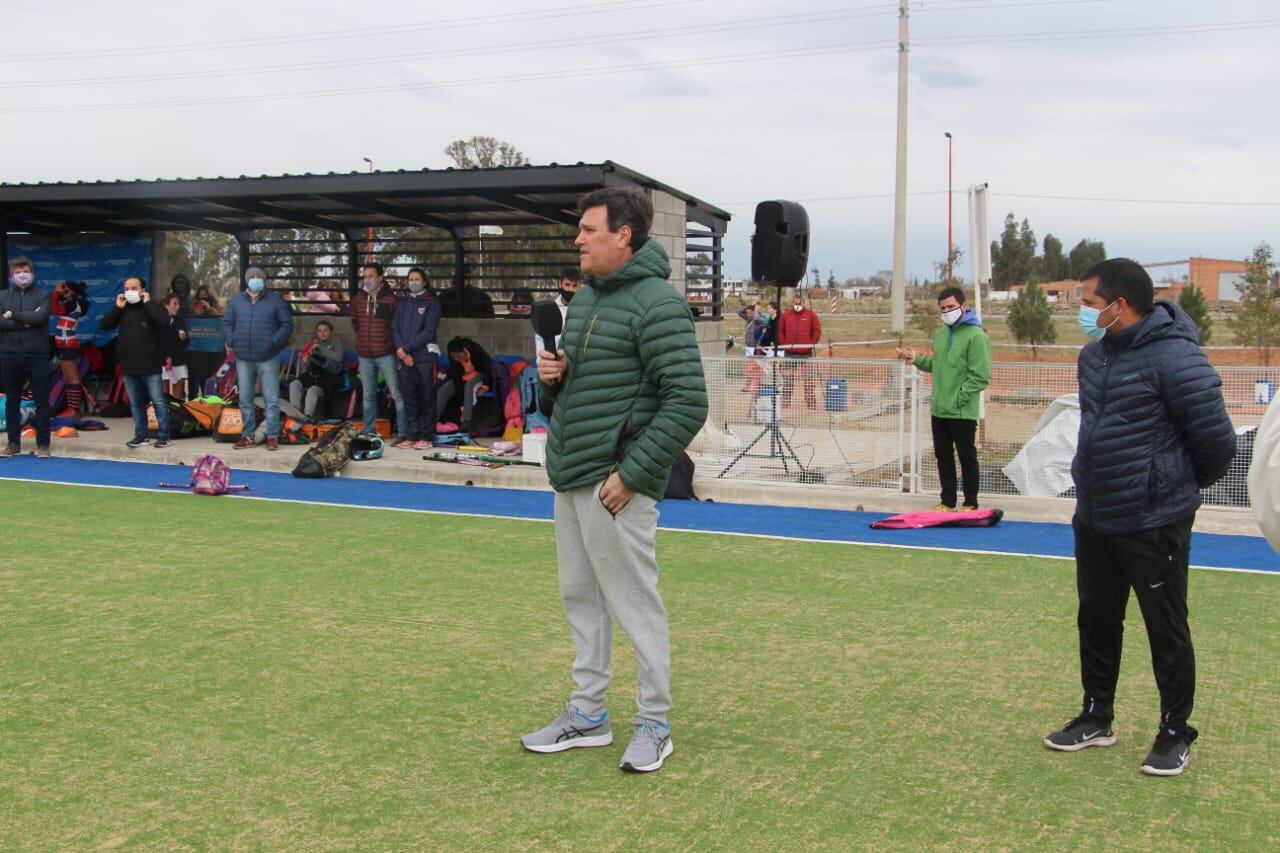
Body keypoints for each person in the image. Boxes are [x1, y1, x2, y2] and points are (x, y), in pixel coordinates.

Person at [521, 188, 708, 774]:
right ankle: (588, 714)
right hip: (572, 474)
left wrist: (631, 476)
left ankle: (655, 721)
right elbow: (569, 400)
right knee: (582, 599)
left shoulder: (657, 304)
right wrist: (555, 378)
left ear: (623, 235)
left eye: (587, 229)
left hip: (616, 483)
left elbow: (687, 402)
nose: (577, 239)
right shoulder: (586, 301)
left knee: (633, 602)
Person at [1043, 258, 1235, 778]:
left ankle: (1175, 731)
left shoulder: (1178, 359)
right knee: (1097, 618)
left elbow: (1218, 446)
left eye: (1087, 303)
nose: (1081, 312)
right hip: (1096, 514)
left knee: (1165, 628)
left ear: (1118, 305)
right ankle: (1096, 716)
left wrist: (1167, 487)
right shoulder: (1094, 357)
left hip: (1154, 521)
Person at [895, 286, 991, 511]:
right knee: (943, 456)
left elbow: (980, 377)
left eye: (951, 307)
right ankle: (948, 501)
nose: (947, 311)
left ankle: (970, 502)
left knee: (966, 456)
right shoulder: (941, 336)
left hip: (961, 410)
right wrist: (916, 358)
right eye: (943, 308)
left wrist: (959, 398)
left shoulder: (976, 337)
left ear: (963, 306)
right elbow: (936, 365)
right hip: (939, 409)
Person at [222, 266, 293, 450]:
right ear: (246, 280)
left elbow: (286, 325)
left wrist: (273, 342)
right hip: (243, 357)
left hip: (268, 356)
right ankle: (247, 436)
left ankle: (272, 436)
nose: (255, 279)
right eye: (252, 277)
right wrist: (232, 340)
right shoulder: (237, 301)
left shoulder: (275, 301)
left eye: (258, 277)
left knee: (271, 398)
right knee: (245, 398)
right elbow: (227, 322)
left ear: (264, 280)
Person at [99, 276, 172, 449]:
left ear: (142, 290)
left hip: (150, 364)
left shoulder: (153, 307)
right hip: (128, 365)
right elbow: (105, 325)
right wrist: (117, 307)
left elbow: (163, 321)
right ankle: (141, 434)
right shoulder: (123, 309)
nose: (130, 291)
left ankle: (164, 434)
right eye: (127, 288)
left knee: (158, 400)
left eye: (134, 288)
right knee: (135, 402)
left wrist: (148, 303)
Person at [0, 256, 53, 457]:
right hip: (9, 353)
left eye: (25, 270)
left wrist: (11, 315)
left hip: (37, 354)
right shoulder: (2, 296)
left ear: (32, 273)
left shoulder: (43, 295)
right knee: (12, 400)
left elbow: (41, 318)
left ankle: (43, 445)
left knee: (41, 400)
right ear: (12, 276)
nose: (22, 274)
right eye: (17, 271)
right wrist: (26, 320)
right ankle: (13, 443)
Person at [350, 262, 407, 445]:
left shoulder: (391, 299)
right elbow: (355, 324)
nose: (368, 280)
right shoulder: (357, 299)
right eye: (365, 276)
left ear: (380, 278)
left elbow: (397, 325)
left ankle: (403, 432)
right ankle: (369, 431)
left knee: (396, 392)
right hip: (365, 355)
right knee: (368, 394)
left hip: (386, 353)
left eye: (371, 276)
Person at [391, 267, 441, 449]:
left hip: (424, 357)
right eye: (410, 279)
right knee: (409, 397)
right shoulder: (403, 303)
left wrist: (407, 349)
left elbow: (429, 331)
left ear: (424, 281)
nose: (413, 282)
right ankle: (412, 434)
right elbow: (394, 328)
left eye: (416, 279)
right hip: (404, 358)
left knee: (426, 397)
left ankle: (426, 436)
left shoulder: (431, 302)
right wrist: (401, 351)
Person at [435, 337, 495, 434]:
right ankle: (432, 422)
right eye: (454, 357)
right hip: (463, 378)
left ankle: (467, 423)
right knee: (444, 390)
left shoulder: (475, 350)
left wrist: (485, 386)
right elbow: (457, 380)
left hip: (479, 375)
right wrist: (462, 406)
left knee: (469, 386)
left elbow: (488, 368)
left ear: (464, 350)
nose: (457, 359)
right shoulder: (454, 359)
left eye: (458, 356)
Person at [289, 319, 344, 419]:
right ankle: (295, 414)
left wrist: (321, 350)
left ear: (331, 332)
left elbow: (338, 357)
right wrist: (307, 356)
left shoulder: (336, 342)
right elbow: (307, 366)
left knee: (312, 391)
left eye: (325, 331)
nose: (322, 333)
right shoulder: (314, 343)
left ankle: (307, 417)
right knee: (294, 384)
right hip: (314, 375)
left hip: (329, 377)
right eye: (319, 331)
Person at [776, 290, 822, 409]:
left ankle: (811, 402)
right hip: (789, 354)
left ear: (804, 303)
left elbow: (817, 331)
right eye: (795, 303)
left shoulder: (811, 315)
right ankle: (785, 402)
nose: (797, 306)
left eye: (799, 303)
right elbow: (780, 331)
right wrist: (784, 344)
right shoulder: (786, 315)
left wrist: (810, 344)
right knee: (787, 380)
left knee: (809, 380)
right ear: (792, 303)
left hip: (806, 354)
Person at [51, 280, 89, 414]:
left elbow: (53, 309)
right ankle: (70, 408)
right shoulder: (72, 303)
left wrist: (56, 293)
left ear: (73, 292)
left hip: (67, 343)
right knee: (67, 378)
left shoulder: (74, 303)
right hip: (64, 343)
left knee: (71, 377)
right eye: (63, 290)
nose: (63, 293)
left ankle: (74, 409)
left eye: (66, 291)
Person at [533, 267, 581, 354]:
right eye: (567, 284)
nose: (570, 289)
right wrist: (543, 362)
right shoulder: (548, 310)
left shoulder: (585, 310)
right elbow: (540, 339)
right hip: (553, 363)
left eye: (574, 286)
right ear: (560, 284)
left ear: (580, 286)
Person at [161, 292, 190, 401]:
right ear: (166, 305)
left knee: (178, 392)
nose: (177, 307)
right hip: (163, 361)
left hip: (178, 360)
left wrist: (183, 337)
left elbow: (186, 342)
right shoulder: (160, 319)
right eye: (175, 304)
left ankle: (177, 412)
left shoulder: (180, 320)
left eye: (178, 304)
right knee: (163, 392)